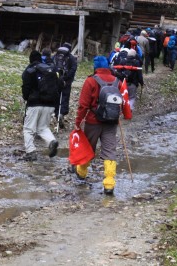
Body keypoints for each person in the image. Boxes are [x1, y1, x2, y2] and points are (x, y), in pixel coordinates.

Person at [74, 56, 123, 195]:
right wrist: (124, 114)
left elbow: (83, 105)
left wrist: (78, 122)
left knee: (88, 148)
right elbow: (122, 101)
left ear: (95, 67)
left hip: (93, 122)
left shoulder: (90, 81)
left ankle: (81, 173)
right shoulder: (117, 82)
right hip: (111, 122)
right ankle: (109, 184)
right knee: (110, 152)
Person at [21, 50, 59, 161]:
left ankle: (31, 152)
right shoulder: (50, 70)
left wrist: (26, 98)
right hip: (50, 104)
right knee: (42, 127)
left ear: (30, 59)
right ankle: (52, 141)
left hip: (35, 104)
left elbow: (26, 88)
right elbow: (59, 84)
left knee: (28, 129)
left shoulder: (30, 70)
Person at [52, 42, 77, 128]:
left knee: (56, 96)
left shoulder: (56, 55)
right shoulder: (72, 58)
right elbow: (73, 69)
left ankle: (56, 113)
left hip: (56, 80)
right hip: (66, 82)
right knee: (65, 97)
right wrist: (66, 78)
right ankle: (62, 113)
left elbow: (52, 65)